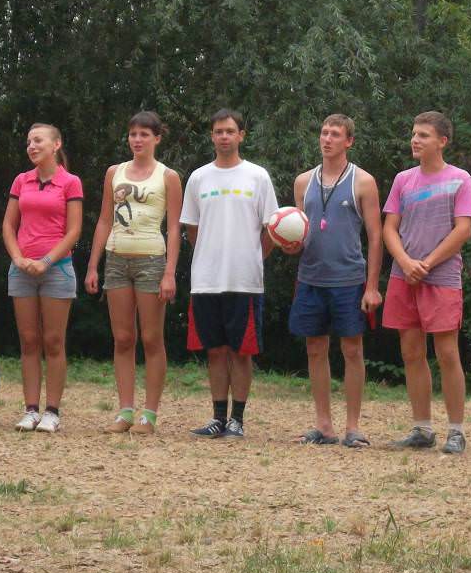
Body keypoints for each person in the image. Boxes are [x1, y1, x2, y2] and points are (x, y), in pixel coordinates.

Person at [381, 111, 471, 454]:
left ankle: (456, 431)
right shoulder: (403, 180)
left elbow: (463, 229)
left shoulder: (460, 179)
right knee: (411, 352)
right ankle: (422, 429)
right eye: (413, 133)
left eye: (423, 135)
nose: (415, 140)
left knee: (447, 354)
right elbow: (389, 228)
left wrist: (427, 263)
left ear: (442, 141)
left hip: (442, 277)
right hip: (403, 276)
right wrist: (406, 262)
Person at [180, 109, 279, 439]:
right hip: (206, 280)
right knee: (215, 350)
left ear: (241, 136)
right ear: (212, 136)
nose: (224, 136)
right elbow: (192, 229)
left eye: (230, 131)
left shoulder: (257, 176)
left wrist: (251, 257)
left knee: (241, 351)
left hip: (244, 280)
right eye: (218, 131)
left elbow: (272, 229)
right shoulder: (199, 178)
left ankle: (238, 419)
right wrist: (211, 254)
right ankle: (218, 418)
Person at [288, 115, 383, 447]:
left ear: (349, 141)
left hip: (349, 279)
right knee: (315, 349)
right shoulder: (303, 181)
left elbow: (375, 236)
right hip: (311, 277)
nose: (327, 139)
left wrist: (372, 286)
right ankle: (324, 426)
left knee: (352, 350)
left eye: (335, 134)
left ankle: (353, 427)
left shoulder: (364, 182)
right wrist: (290, 244)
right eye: (324, 133)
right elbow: (298, 230)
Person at [85, 111, 182, 436]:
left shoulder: (168, 176)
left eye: (144, 134)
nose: (137, 140)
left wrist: (169, 272)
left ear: (157, 138)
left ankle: (149, 415)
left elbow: (174, 228)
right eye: (133, 134)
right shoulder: (114, 172)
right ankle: (125, 411)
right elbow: (104, 220)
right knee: (123, 338)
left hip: (151, 260)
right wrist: (93, 264)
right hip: (117, 259)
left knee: (152, 338)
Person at [2, 123, 84, 434]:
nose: (32, 146)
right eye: (28, 142)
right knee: (28, 341)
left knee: (53, 341)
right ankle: (30, 409)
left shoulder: (70, 182)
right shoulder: (21, 180)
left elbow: (74, 231)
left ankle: (52, 411)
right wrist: (18, 258)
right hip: (22, 270)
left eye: (38, 141)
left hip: (56, 270)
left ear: (56, 144)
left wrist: (46, 261)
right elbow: (8, 226)